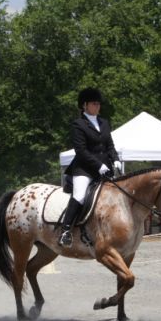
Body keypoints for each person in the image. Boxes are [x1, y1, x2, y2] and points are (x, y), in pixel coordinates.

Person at [59, 87, 122, 247]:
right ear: (84, 105)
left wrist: (115, 159)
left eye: (98, 103)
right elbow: (81, 151)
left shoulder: (104, 123)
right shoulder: (78, 124)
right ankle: (66, 231)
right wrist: (98, 165)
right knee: (80, 195)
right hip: (84, 169)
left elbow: (110, 145)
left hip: (105, 169)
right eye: (94, 103)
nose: (97, 106)